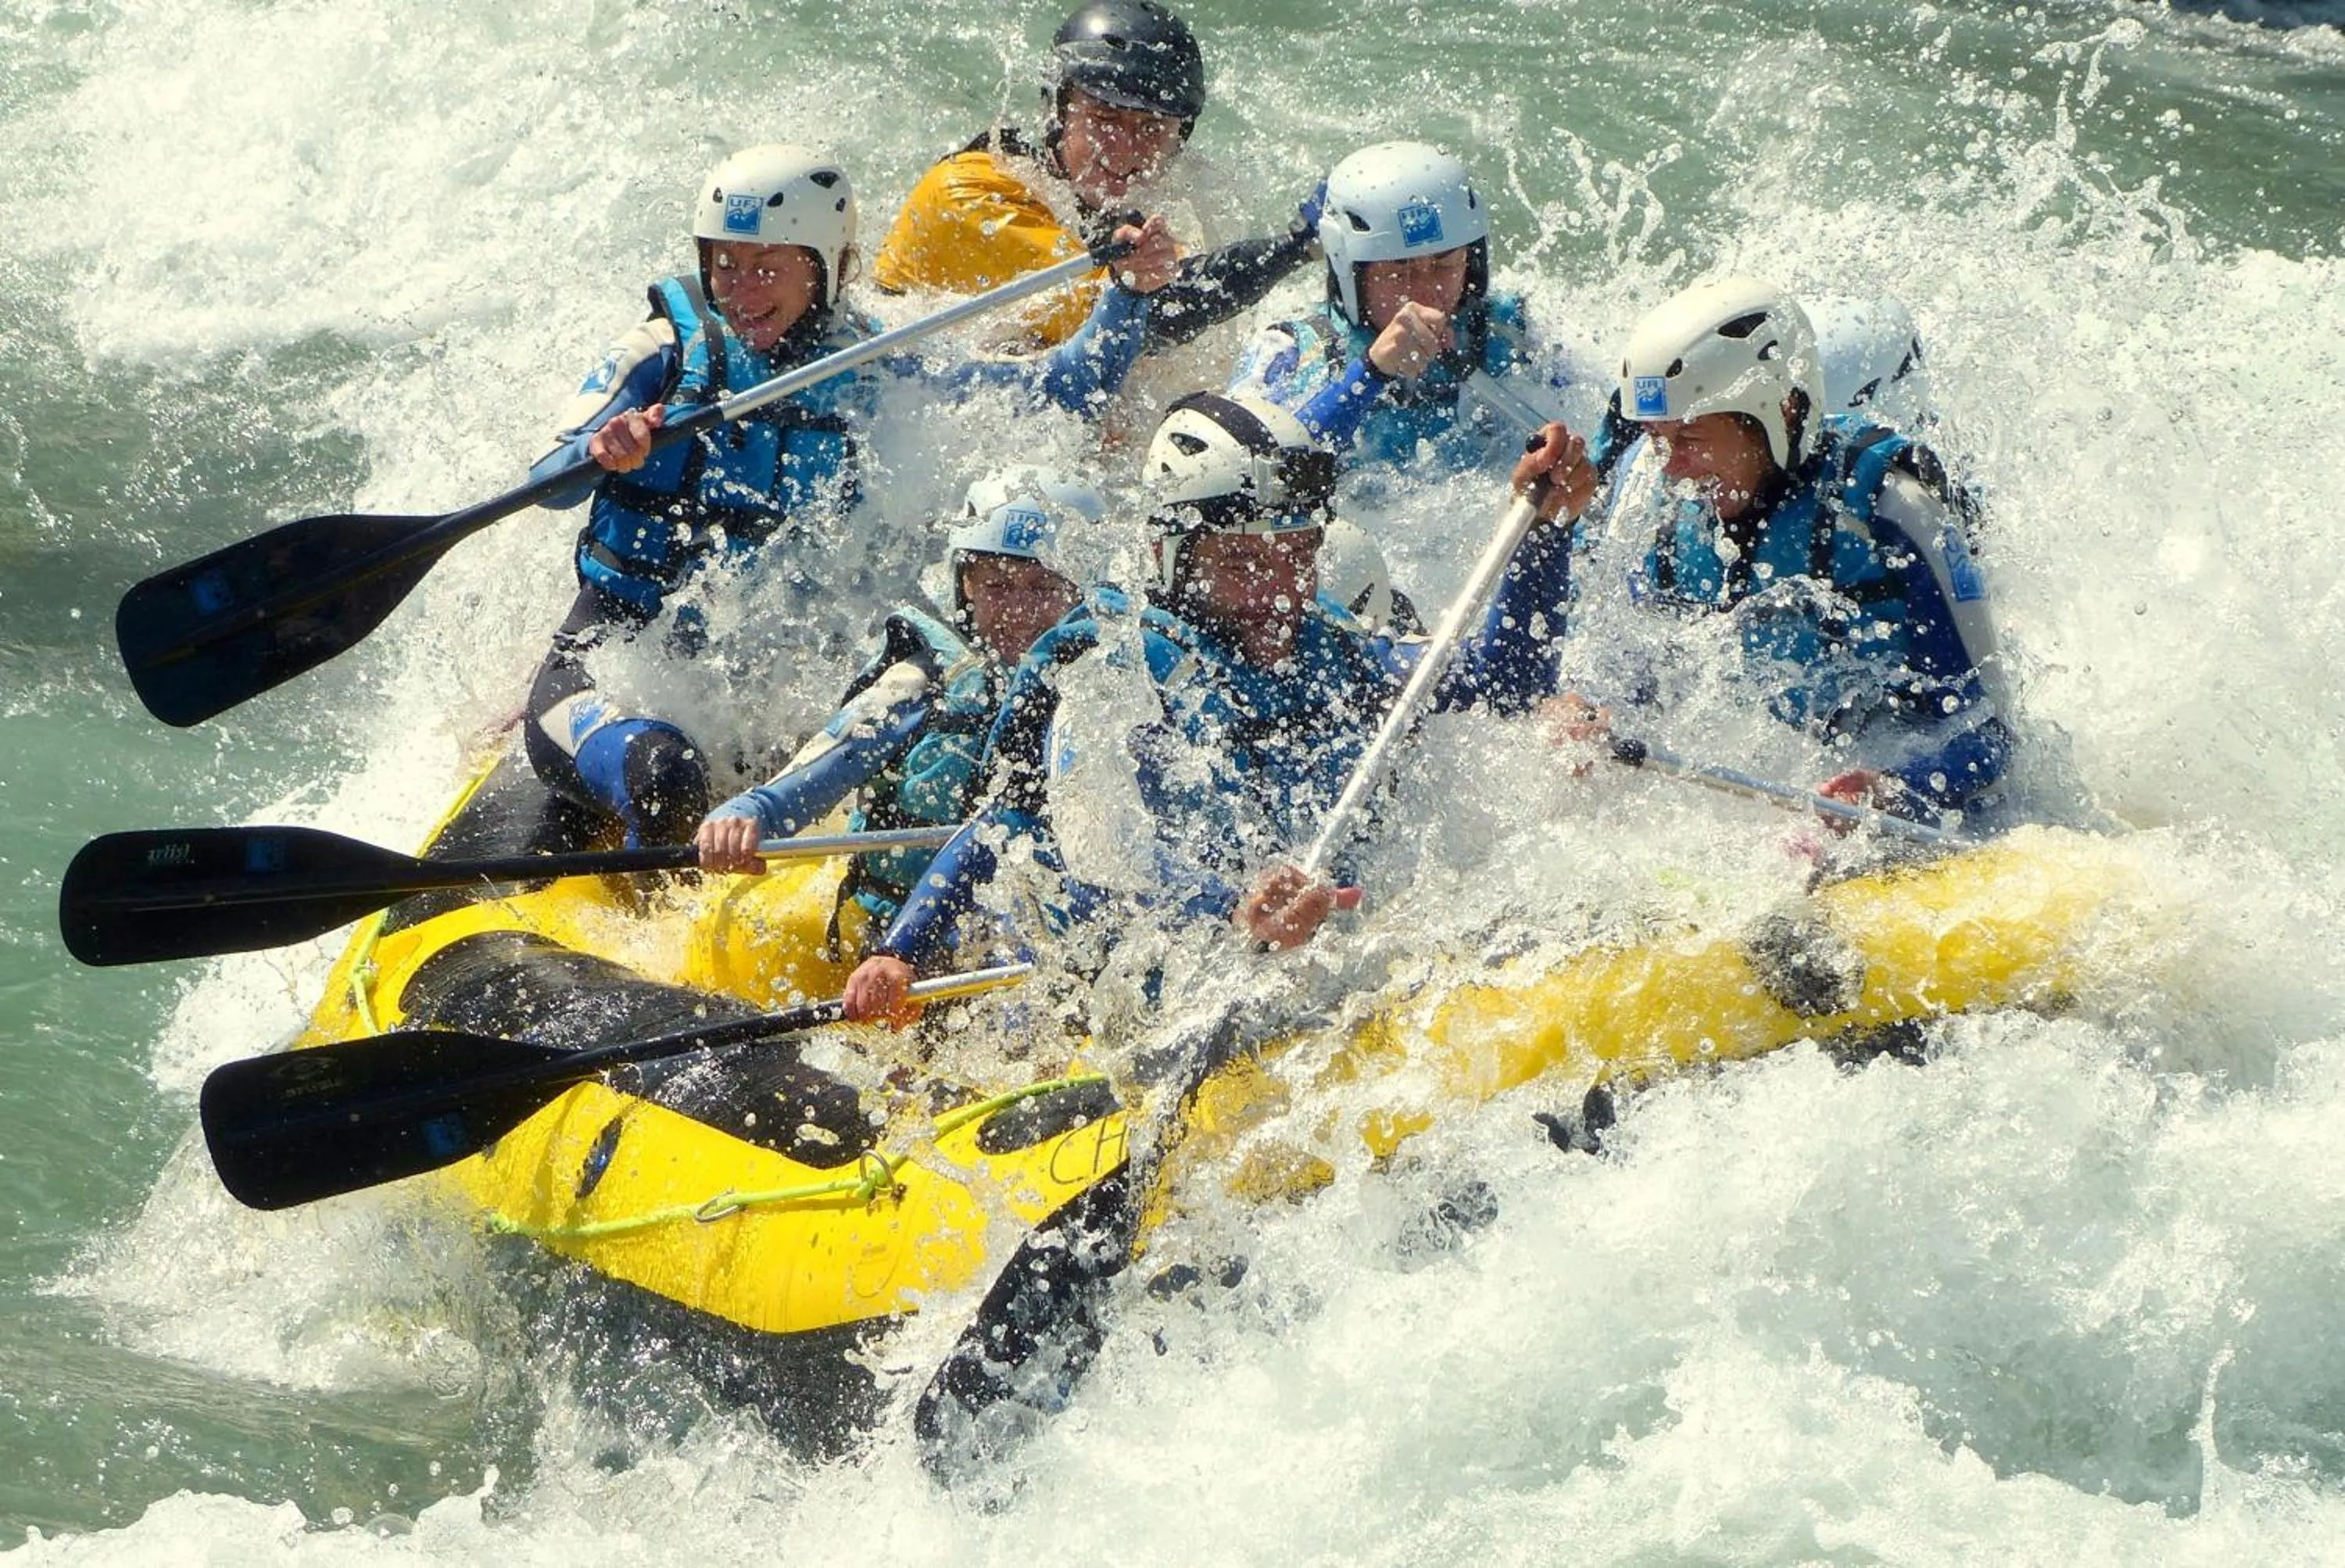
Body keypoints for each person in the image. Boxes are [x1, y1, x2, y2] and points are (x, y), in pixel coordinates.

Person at [837, 390, 1599, 1023]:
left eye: (1297, 553)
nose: (1280, 589)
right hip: (1113, 981)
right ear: (1173, 552)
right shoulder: (1115, 660)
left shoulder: (1332, 649)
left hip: (1281, 953)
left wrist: (1545, 537)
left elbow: (1511, 679)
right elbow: (1081, 841)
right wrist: (900, 947)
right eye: (1241, 562)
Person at [523, 144, 1178, 847]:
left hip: (767, 689)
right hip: (615, 656)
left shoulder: (878, 365)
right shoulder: (664, 349)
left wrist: (1129, 294)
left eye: (767, 268)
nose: (741, 292)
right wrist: (601, 453)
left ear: (828, 267)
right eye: (726, 266)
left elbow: (1060, 392)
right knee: (667, 777)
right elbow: (546, 482)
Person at [1545, 275, 2008, 824]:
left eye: (1690, 441)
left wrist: (1893, 790)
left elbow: (1989, 730)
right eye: (1655, 438)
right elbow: (1632, 669)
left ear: (1782, 414)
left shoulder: (1890, 511)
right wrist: (1585, 707)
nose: (1670, 466)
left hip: (1892, 755)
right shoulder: (1651, 499)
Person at [692, 467, 1102, 946]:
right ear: (966, 586)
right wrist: (747, 814)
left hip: (1026, 945)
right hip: (892, 942)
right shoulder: (922, 682)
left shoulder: (1112, 689)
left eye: (1044, 589)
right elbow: (819, 771)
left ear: (1082, 590)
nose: (1019, 610)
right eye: (997, 587)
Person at [873, 0, 1320, 356]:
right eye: (1104, 117)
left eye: (1151, 128)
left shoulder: (1141, 192)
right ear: (1058, 110)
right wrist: (1296, 248)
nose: (1127, 152)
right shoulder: (971, 196)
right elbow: (1148, 315)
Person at [1232, 140, 1598, 477]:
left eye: (1445, 264)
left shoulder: (1516, 333)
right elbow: (1249, 477)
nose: (1428, 292)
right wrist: (1370, 373)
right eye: (1399, 271)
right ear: (1349, 271)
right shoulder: (1288, 353)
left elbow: (1600, 448)